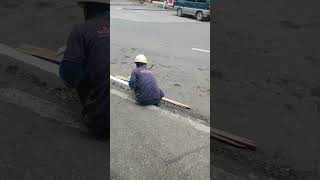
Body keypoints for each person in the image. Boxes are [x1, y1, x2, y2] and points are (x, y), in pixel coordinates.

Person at [59, 0, 109, 140]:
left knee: (73, 63)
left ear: (88, 8)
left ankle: (93, 112)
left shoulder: (82, 29)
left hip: (103, 124)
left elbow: (69, 75)